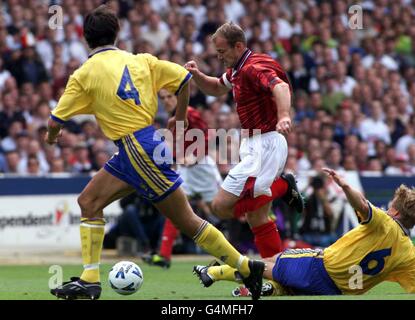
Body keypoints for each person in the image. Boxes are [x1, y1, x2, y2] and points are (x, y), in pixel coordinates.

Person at [46, 6, 264, 301]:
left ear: (86, 38)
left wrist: (53, 136)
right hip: (136, 148)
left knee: (187, 221)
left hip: (138, 148)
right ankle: (89, 280)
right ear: (118, 33)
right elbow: (185, 80)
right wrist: (181, 117)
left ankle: (245, 267)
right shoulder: (141, 60)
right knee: (89, 201)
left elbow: (54, 121)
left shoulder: (83, 73)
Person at [185, 22, 304, 293]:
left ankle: (284, 185)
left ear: (239, 46)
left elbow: (280, 88)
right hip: (252, 144)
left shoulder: (254, 67)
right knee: (256, 219)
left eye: (222, 51)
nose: (219, 56)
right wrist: (197, 75)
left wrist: (284, 115)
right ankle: (277, 279)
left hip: (266, 143)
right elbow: (216, 87)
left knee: (220, 206)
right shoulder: (238, 69)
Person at [194, 168, 415, 296]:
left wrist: (345, 186)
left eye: (389, 206)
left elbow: (363, 206)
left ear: (394, 211)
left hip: (321, 266)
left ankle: (214, 272)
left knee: (269, 262)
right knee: (286, 285)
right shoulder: (407, 251)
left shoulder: (384, 222)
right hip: (338, 290)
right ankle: (269, 290)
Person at [142, 88, 223, 268]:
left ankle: (256, 209)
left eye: (169, 97)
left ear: (180, 97)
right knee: (176, 208)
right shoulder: (172, 119)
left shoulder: (189, 113)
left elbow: (209, 135)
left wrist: (195, 156)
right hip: (186, 171)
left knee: (222, 209)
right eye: (163, 98)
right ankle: (164, 255)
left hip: (202, 168)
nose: (166, 101)